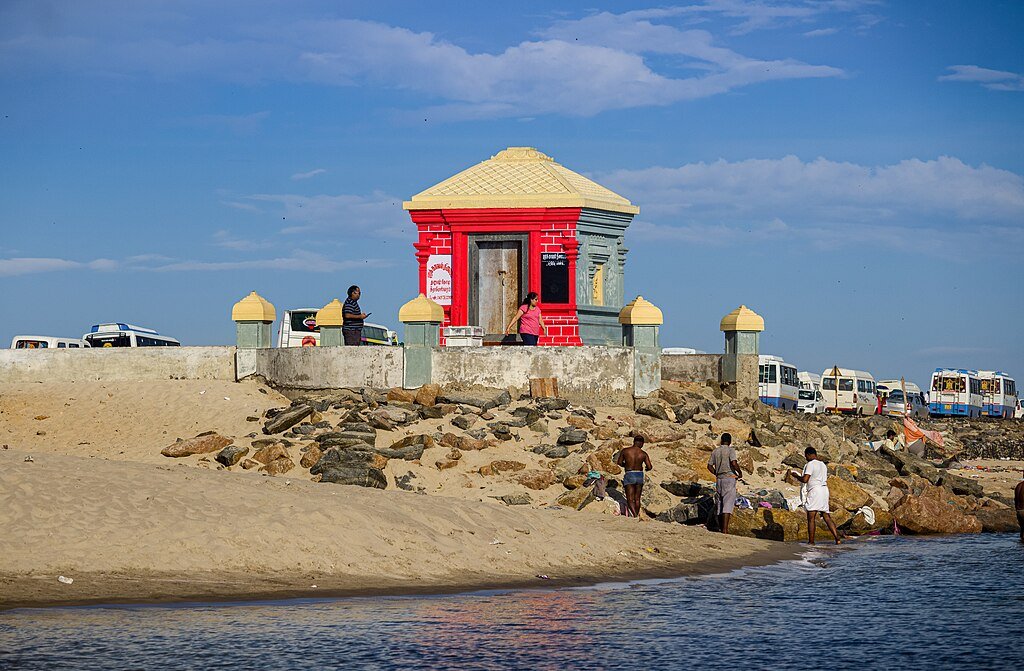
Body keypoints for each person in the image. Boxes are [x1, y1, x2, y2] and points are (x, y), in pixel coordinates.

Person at [790, 447, 842, 545]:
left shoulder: (810, 464)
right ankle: (837, 538)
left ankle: (811, 542)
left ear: (809, 455)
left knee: (811, 517)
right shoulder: (822, 465)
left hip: (815, 490)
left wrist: (796, 476)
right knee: (826, 516)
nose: (805, 458)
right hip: (824, 490)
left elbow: (805, 479)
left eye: (806, 456)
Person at [707, 433, 742, 534]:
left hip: (719, 480)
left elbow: (709, 466)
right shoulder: (731, 450)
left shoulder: (715, 451)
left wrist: (716, 474)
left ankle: (719, 527)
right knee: (727, 504)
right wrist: (740, 473)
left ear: (721, 440)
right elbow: (734, 463)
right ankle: (725, 530)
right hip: (729, 478)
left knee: (720, 503)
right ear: (730, 442)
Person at [616, 436, 652, 519]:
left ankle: (635, 515)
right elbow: (649, 466)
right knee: (637, 498)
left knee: (630, 498)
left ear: (634, 441)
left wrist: (626, 465)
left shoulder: (626, 451)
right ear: (642, 443)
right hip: (639, 474)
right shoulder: (643, 453)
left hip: (629, 474)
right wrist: (646, 468)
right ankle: (636, 514)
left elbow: (619, 462)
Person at [1015, 470, 1024, 543]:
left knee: (1022, 532)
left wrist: (1017, 511)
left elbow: (1016, 500)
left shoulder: (1019, 485)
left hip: (1019, 512)